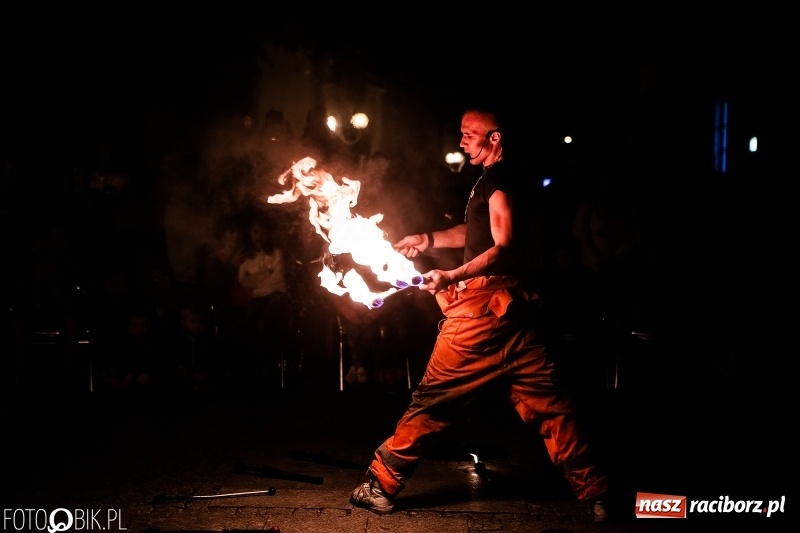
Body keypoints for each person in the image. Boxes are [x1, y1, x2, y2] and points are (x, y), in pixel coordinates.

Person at [349, 105, 612, 522]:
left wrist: (452, 273)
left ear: (495, 137)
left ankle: (381, 484)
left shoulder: (502, 180)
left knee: (433, 400)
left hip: (481, 315)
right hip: (518, 318)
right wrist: (427, 238)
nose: (461, 140)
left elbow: (502, 245)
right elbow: (476, 235)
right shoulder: (500, 179)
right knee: (551, 407)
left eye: (469, 133)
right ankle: (599, 493)